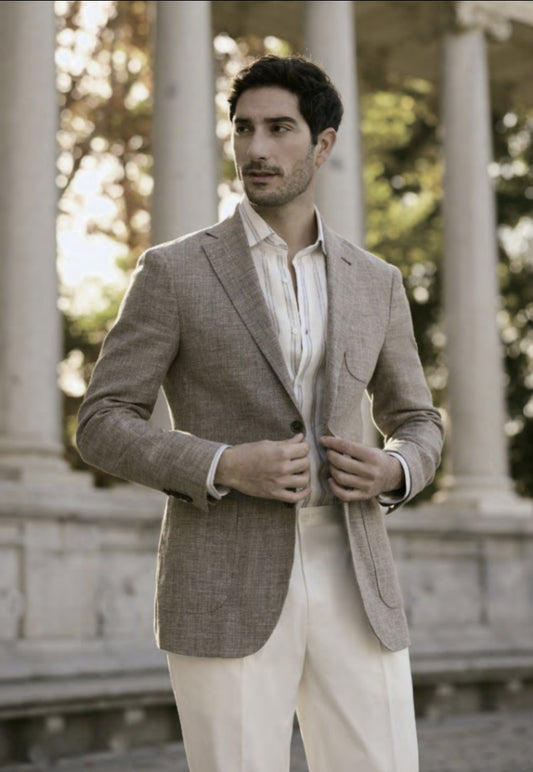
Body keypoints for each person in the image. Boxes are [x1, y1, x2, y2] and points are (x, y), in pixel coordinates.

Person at [76, 54, 444, 772]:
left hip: (357, 585)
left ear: (323, 144)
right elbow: (102, 419)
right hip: (222, 585)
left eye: (279, 128)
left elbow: (419, 420)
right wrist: (219, 464)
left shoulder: (376, 283)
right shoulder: (174, 272)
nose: (255, 149)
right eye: (243, 128)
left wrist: (394, 468)